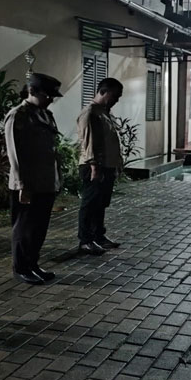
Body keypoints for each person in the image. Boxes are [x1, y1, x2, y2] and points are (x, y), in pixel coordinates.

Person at [4, 73, 63, 285]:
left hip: (46, 181)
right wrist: (23, 185)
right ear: (31, 91)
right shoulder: (17, 116)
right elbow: (15, 154)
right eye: (46, 95)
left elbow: (52, 150)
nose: (50, 100)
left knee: (38, 228)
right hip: (28, 184)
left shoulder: (46, 115)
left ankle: (32, 264)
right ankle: (21, 268)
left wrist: (58, 178)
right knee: (24, 228)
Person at [76, 78, 124, 255]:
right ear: (103, 92)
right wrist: (94, 167)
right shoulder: (90, 113)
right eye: (115, 96)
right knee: (89, 204)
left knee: (100, 204)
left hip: (107, 166)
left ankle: (98, 236)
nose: (116, 100)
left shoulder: (104, 113)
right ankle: (85, 240)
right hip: (94, 167)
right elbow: (88, 142)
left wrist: (116, 165)